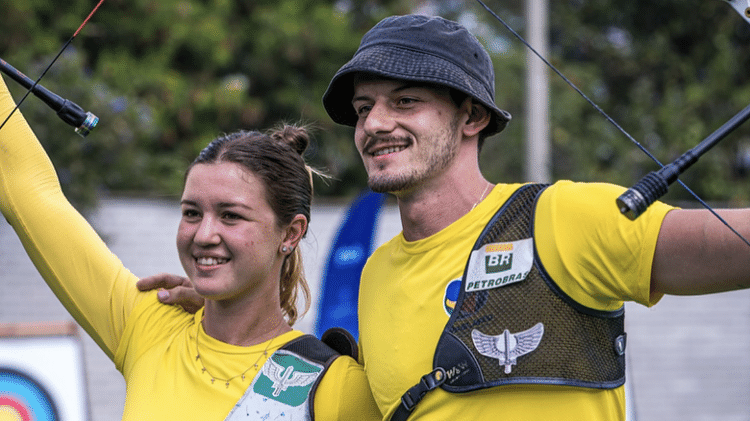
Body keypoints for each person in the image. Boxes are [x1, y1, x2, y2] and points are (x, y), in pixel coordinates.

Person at [140, 14, 750, 421]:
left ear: (472, 117)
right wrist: (223, 306)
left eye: (406, 101)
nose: (375, 123)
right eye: (363, 107)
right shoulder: (376, 275)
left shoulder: (560, 218)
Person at [0, 74, 380, 420]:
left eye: (231, 215)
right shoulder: (148, 323)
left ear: (291, 233)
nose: (203, 234)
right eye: (192, 213)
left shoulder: (335, 385)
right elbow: (29, 192)